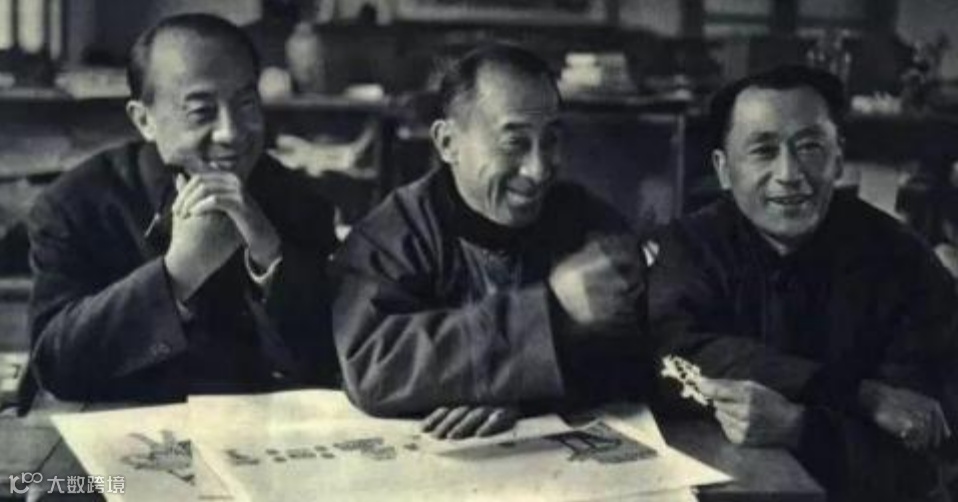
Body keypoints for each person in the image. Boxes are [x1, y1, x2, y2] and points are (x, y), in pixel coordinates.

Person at [650, 65, 958, 501]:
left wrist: (800, 427)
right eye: (763, 150)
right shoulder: (691, 246)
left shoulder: (904, 262)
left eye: (810, 147)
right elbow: (674, 357)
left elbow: (923, 446)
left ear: (838, 158)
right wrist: (859, 395)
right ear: (723, 169)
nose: (789, 174)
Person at [332, 44, 649, 439]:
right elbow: (373, 366)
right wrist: (552, 311)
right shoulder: (391, 234)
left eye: (551, 140)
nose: (538, 170)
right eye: (514, 143)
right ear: (448, 143)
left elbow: (641, 358)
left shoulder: (589, 224)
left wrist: (519, 398)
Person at [27, 14, 338, 402]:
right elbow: (55, 366)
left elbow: (330, 359)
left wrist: (269, 256)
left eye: (246, 104)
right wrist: (179, 273)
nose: (231, 133)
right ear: (144, 120)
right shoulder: (74, 206)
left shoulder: (299, 200)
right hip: (119, 424)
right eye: (202, 112)